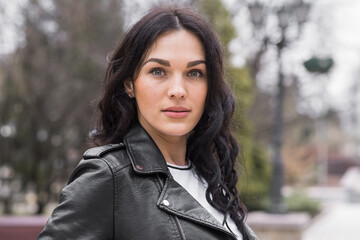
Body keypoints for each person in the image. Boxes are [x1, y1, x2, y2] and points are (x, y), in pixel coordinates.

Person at [38, 5, 258, 240]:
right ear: (129, 84)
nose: (178, 90)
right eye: (158, 71)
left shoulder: (209, 178)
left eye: (194, 73)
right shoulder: (109, 176)